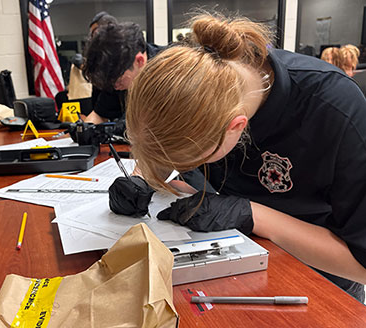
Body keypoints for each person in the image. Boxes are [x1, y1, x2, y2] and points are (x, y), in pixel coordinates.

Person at [117, 13, 366, 302]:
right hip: (233, 260)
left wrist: (255, 216)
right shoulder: (198, 78)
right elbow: (170, 139)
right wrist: (140, 177)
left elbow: (361, 265)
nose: (179, 168)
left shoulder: (335, 109)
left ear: (236, 127)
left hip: (318, 281)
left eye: (192, 159)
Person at [82, 21, 163, 123]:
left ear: (139, 61)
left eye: (118, 81)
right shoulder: (116, 72)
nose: (115, 87)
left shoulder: (172, 72)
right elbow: (99, 115)